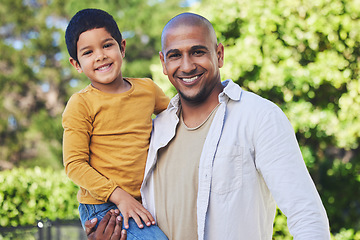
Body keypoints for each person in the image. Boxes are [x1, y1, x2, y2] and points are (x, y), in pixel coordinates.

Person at [87, 12, 331, 239]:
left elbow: (306, 215)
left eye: (198, 52)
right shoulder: (155, 130)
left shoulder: (258, 117)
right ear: (163, 63)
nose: (187, 66)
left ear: (219, 54)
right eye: (175, 55)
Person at [62, 8, 169, 240]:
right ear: (76, 64)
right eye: (88, 52)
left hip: (146, 198)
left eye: (107, 45)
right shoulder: (80, 104)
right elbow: (74, 165)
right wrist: (119, 196)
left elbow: (178, 117)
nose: (100, 56)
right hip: (104, 206)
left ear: (122, 47)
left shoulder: (147, 90)